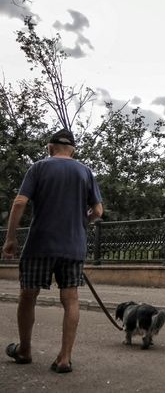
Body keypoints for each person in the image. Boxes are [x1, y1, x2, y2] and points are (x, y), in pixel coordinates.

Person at [3, 129, 104, 374]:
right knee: (70, 299)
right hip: (73, 246)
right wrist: (82, 223)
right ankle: (64, 358)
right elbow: (98, 211)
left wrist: (10, 239)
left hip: (40, 245)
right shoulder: (85, 172)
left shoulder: (38, 168)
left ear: (50, 148)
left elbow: (19, 202)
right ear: (73, 150)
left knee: (28, 296)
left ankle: (24, 350)